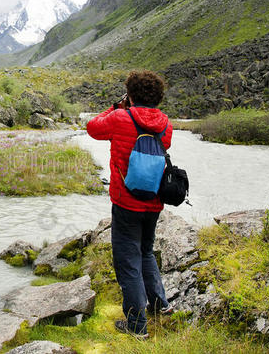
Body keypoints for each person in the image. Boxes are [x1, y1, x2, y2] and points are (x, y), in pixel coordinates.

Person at [86, 70, 173, 339]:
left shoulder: (120, 117)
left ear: (131, 94)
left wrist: (116, 106)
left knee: (128, 262)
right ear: (158, 97)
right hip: (154, 202)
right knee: (146, 252)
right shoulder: (165, 124)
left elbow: (92, 127)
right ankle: (160, 305)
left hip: (126, 202)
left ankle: (137, 327)